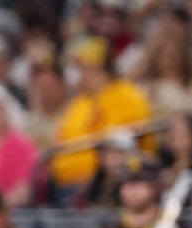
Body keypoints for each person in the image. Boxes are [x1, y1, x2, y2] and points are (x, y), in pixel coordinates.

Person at [49, 37, 151, 194]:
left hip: (111, 184)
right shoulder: (81, 101)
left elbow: (126, 141)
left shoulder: (126, 95)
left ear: (98, 68)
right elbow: (61, 139)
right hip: (67, 186)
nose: (79, 76)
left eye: (83, 69)